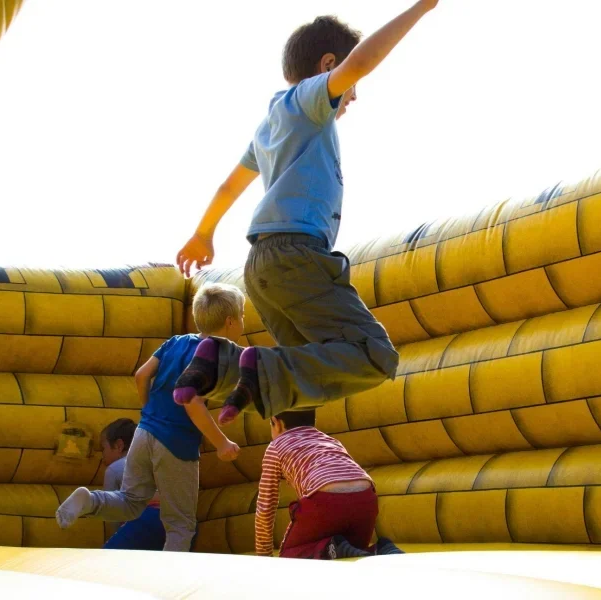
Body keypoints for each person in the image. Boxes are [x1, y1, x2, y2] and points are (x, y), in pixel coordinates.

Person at [173, 1, 442, 425]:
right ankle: (256, 368)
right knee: (373, 355)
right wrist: (421, 9)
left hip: (261, 267)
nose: (354, 95)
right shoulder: (310, 102)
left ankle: (226, 366)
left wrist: (203, 234)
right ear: (328, 64)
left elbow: (230, 185)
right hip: (297, 256)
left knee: (300, 377)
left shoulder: (271, 125)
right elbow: (363, 61)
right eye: (350, 85)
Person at [56, 283, 244, 551]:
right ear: (229, 322)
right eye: (243, 316)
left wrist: (149, 413)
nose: (243, 322)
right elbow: (191, 401)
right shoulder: (214, 355)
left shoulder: (175, 343)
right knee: (180, 524)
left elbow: (141, 375)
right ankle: (170, 584)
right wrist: (222, 442)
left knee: (131, 502)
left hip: (145, 432)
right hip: (176, 442)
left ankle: (90, 501)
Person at [255, 409, 402, 559]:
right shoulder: (329, 441)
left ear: (276, 423)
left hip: (325, 500)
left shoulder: (276, 447)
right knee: (353, 552)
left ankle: (332, 548)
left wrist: (264, 555)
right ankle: (381, 549)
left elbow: (266, 506)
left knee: (290, 557)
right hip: (366, 499)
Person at [99, 418, 166, 551]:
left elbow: (112, 513)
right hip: (180, 522)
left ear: (119, 445)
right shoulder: (157, 461)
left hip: (147, 519)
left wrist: (118, 539)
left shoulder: (114, 469)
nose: (102, 455)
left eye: (103, 448)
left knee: (107, 559)